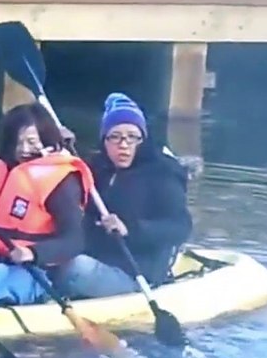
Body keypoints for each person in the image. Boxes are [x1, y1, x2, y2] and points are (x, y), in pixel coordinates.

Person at [0, 102, 93, 308]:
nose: (23, 150)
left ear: (46, 140)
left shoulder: (61, 180)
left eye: (31, 142)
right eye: (17, 142)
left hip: (31, 273)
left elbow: (74, 240)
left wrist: (34, 253)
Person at [57, 92, 193, 298]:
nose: (124, 145)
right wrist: (59, 148)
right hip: (95, 256)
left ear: (143, 139)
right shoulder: (97, 168)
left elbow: (180, 227)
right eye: (115, 137)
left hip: (135, 272)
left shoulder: (162, 173)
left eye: (132, 138)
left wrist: (131, 229)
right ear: (104, 140)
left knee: (75, 268)